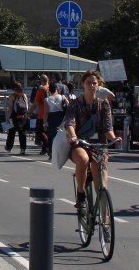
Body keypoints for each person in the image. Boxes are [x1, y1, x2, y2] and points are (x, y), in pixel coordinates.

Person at [64, 70, 117, 207]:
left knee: (102, 186)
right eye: (89, 83)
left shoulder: (104, 104)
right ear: (83, 84)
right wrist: (74, 136)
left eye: (95, 83)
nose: (92, 86)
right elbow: (70, 122)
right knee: (83, 159)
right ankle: (81, 194)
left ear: (98, 85)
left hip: (99, 145)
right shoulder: (75, 103)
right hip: (80, 143)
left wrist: (114, 138)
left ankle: (104, 223)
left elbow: (107, 128)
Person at [44, 82, 71, 161]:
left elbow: (45, 112)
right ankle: (61, 153)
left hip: (51, 117)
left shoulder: (47, 99)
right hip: (61, 117)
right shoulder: (62, 97)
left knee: (51, 136)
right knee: (61, 135)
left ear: (49, 90)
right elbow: (69, 105)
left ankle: (52, 153)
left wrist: (44, 123)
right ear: (57, 89)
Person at [4, 81, 30, 155]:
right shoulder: (24, 95)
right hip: (23, 116)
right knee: (22, 132)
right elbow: (27, 106)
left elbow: (11, 107)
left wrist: (8, 117)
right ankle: (23, 148)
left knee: (12, 131)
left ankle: (8, 147)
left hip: (15, 115)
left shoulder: (12, 96)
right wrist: (27, 115)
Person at [30, 75, 50, 155]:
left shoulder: (41, 90)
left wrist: (30, 112)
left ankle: (48, 145)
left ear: (41, 81)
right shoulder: (52, 89)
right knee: (46, 132)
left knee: (39, 131)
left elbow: (35, 103)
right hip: (50, 114)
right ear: (48, 79)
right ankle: (44, 149)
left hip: (42, 114)